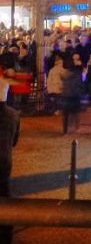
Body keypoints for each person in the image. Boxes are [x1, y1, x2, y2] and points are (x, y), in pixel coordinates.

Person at [0, 80, 19, 243]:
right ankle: (6, 234)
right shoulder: (13, 114)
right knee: (5, 194)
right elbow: (14, 140)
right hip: (4, 160)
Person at [61, 63, 83, 134]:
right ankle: (77, 127)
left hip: (66, 96)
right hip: (74, 96)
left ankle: (66, 130)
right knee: (76, 113)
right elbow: (79, 86)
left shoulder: (64, 76)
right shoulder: (76, 76)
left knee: (66, 114)